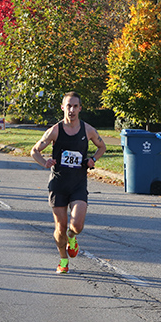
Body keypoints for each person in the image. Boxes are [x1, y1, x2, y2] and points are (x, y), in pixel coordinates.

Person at [30, 91, 106, 274]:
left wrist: (93, 160)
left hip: (78, 183)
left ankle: (72, 237)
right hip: (58, 184)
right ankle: (63, 259)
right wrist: (44, 162)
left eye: (75, 106)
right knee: (60, 227)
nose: (71, 110)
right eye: (68, 106)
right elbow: (34, 151)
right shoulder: (55, 130)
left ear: (80, 108)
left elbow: (102, 147)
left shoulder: (88, 130)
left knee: (77, 225)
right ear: (63, 107)